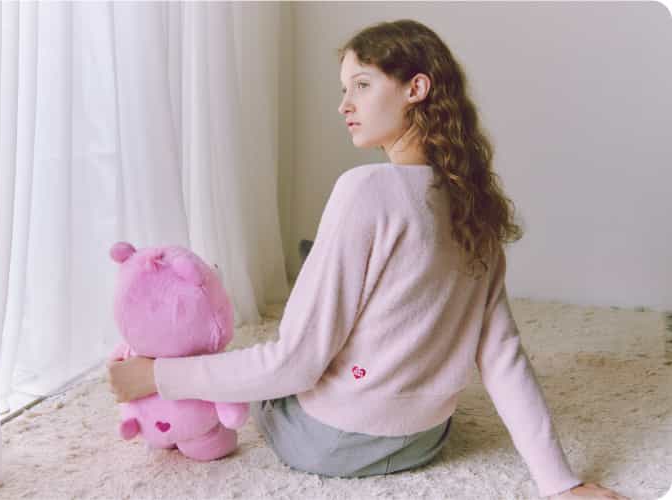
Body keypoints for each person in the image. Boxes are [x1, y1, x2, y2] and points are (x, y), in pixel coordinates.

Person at [108, 19, 629, 500]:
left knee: (264, 384)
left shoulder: (365, 190)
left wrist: (159, 377)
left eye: (361, 84)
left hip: (330, 442)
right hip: (424, 438)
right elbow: (502, 356)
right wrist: (560, 484)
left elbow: (295, 363)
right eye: (344, 89)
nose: (344, 105)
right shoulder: (475, 204)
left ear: (416, 88)